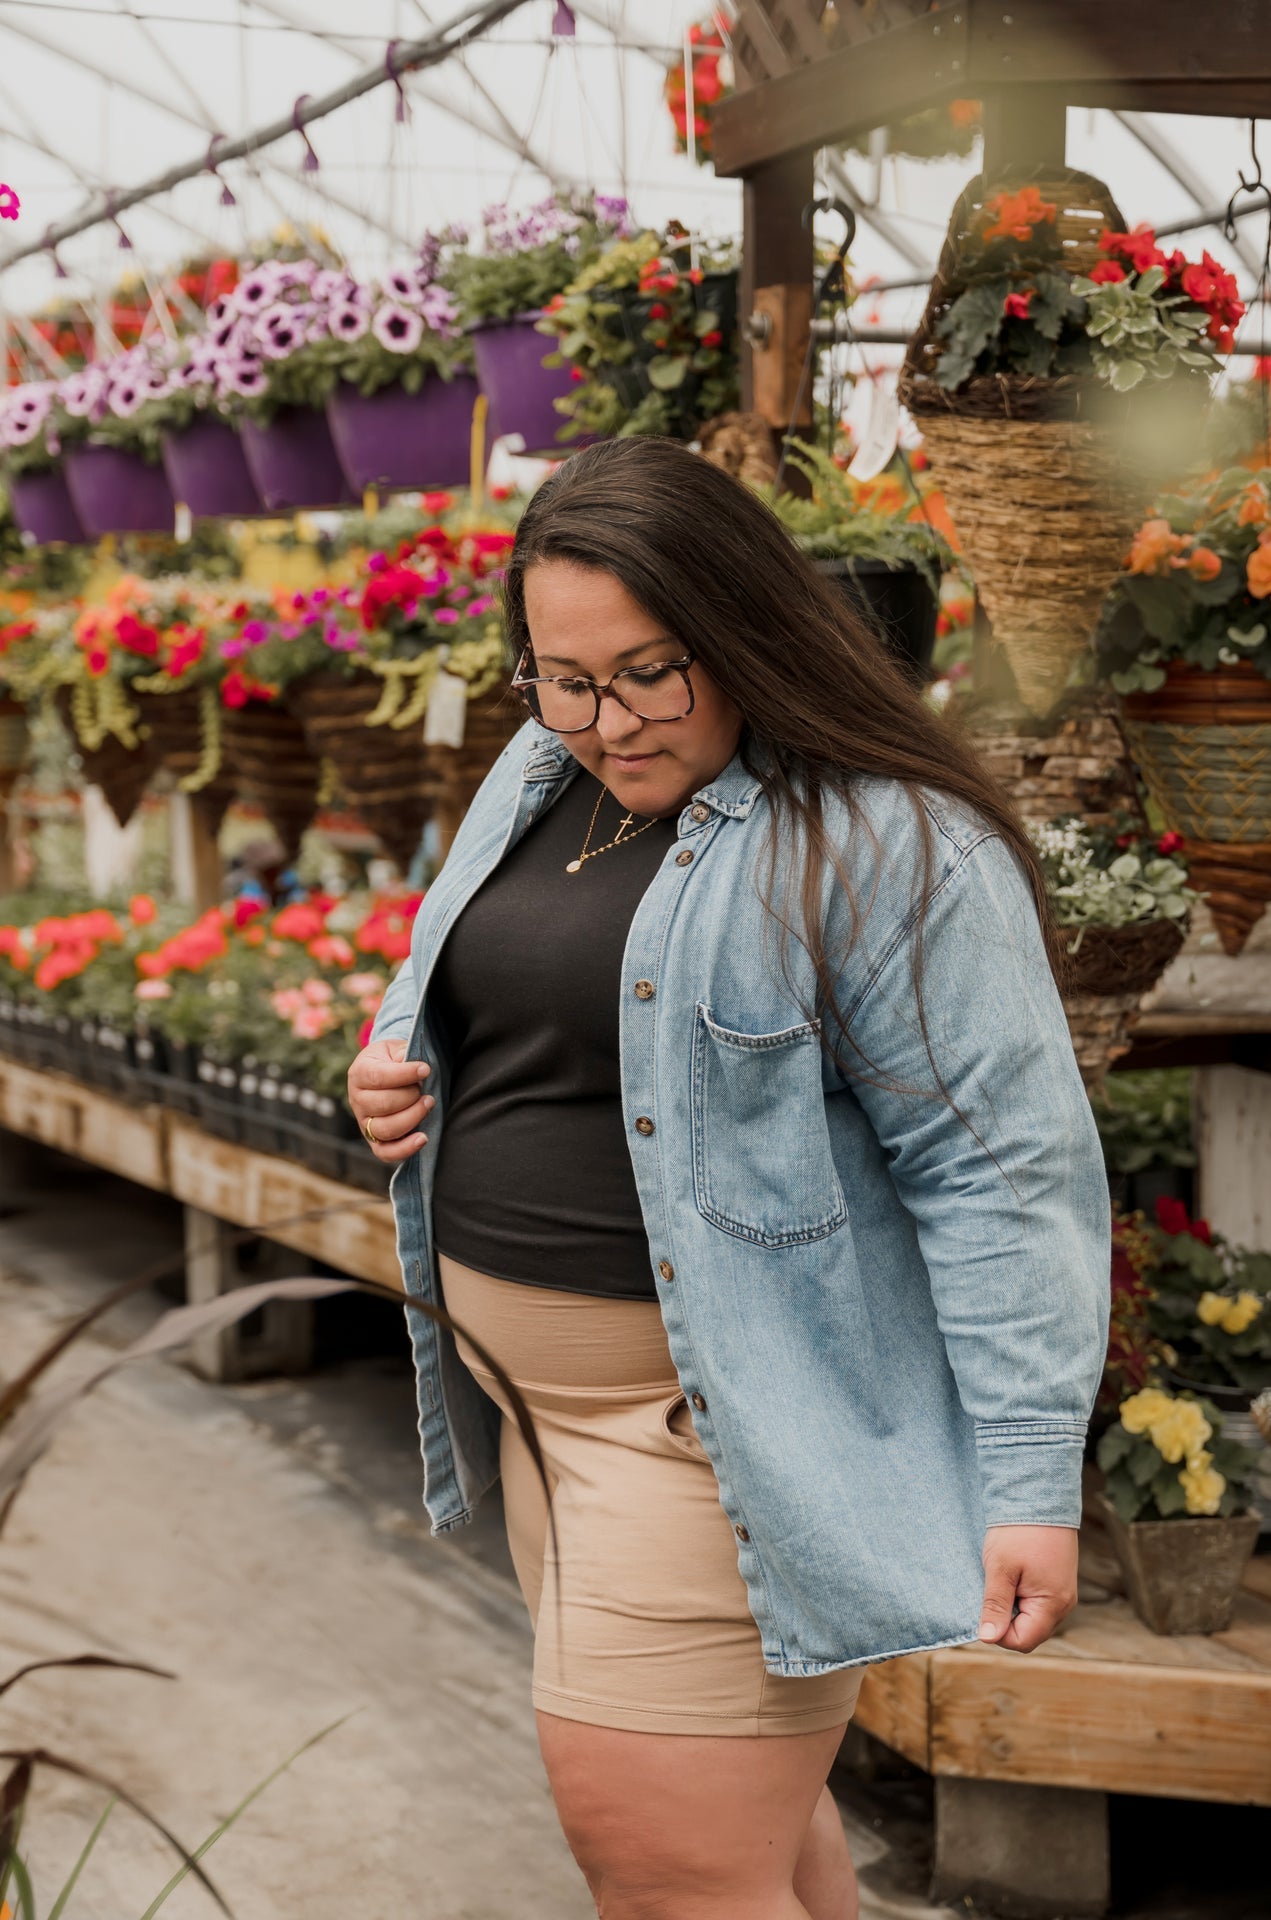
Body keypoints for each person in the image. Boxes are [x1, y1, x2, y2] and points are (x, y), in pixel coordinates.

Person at [347, 437, 1110, 1920]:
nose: (604, 720)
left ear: (748, 627)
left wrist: (1030, 1482)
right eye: (562, 677)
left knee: (667, 1871)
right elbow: (486, 982)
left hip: (701, 1436)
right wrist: (399, 1068)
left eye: (648, 673)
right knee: (759, 1858)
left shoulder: (891, 844)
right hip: (538, 1426)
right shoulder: (539, 770)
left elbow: (1003, 1168)